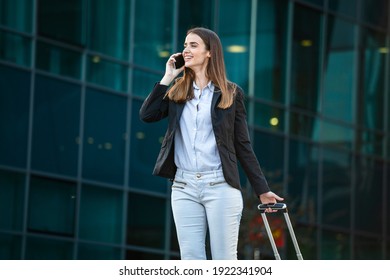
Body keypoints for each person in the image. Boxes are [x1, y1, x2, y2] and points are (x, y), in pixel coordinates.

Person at [139, 27, 283, 260]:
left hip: (220, 186)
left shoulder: (231, 93)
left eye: (193, 45)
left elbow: (242, 145)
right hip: (184, 187)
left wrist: (262, 189)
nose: (186, 50)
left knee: (224, 261)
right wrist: (167, 77)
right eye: (185, 45)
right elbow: (147, 115)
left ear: (209, 52)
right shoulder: (177, 91)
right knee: (192, 260)